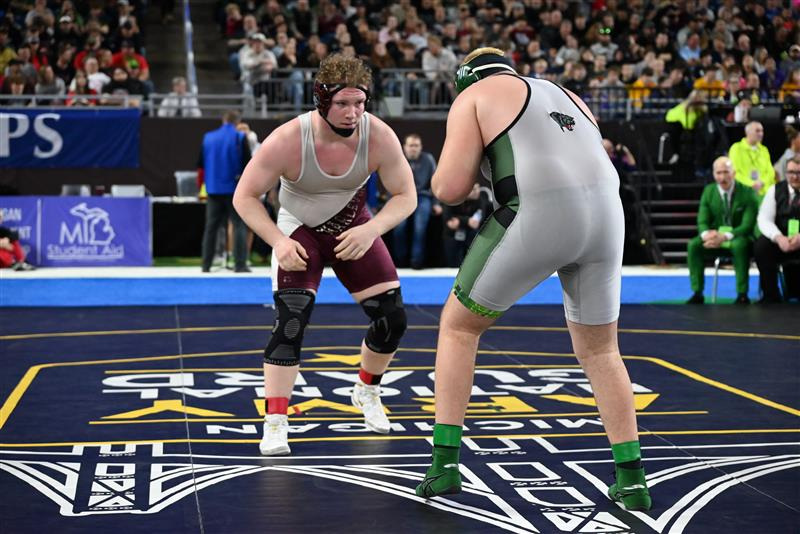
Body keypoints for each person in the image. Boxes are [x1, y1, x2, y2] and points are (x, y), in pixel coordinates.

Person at [414, 47, 651, 512]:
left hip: (540, 213)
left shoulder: (475, 96)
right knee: (602, 349)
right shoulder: (569, 94)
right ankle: (632, 478)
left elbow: (448, 188)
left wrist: (482, 164)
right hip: (607, 216)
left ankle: (443, 466)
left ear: (465, 79)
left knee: (459, 327)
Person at [232, 54, 416, 456]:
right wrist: (277, 242)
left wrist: (371, 229)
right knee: (292, 321)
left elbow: (407, 196)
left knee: (392, 318)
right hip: (299, 231)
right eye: (343, 104)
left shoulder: (379, 135)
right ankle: (276, 421)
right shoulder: (287, 139)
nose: (353, 113)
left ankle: (366, 391)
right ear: (321, 101)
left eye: (360, 103)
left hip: (354, 228)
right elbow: (244, 196)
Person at [685, 157, 758, 305]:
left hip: (738, 237)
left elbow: (747, 225)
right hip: (713, 239)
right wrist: (706, 235)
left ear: (734, 173)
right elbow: (702, 220)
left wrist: (724, 237)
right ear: (713, 174)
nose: (722, 177)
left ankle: (742, 294)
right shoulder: (708, 191)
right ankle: (697, 292)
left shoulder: (748, 192)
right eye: (719, 173)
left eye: (726, 172)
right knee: (693, 245)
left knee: (739, 245)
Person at [198, 110, 252, 273]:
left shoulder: (208, 137)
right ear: (238, 122)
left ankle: (205, 265)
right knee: (238, 225)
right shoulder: (240, 137)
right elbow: (248, 166)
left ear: (223, 120)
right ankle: (240, 264)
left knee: (211, 227)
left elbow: (200, 164)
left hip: (213, 189)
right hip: (234, 190)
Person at [754, 155, 800, 303]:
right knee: (761, 246)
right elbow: (764, 219)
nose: (794, 177)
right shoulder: (774, 190)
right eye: (791, 172)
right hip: (782, 240)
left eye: (799, 173)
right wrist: (779, 238)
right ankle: (771, 295)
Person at [392, 133, 437, 269]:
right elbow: (389, 182)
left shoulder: (428, 159)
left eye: (416, 146)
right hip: (400, 197)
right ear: (405, 147)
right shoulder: (397, 159)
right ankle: (400, 261)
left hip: (422, 197)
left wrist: (436, 203)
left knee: (420, 227)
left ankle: (416, 261)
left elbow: (434, 182)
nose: (413, 148)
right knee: (398, 227)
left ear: (420, 147)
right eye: (411, 145)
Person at [441, 183, 489, 267]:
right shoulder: (452, 199)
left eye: (478, 189)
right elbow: (450, 223)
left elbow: (475, 223)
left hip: (470, 235)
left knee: (475, 237)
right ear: (465, 190)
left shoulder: (480, 201)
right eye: (474, 189)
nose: (477, 192)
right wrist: (467, 221)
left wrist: (459, 220)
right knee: (453, 262)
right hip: (452, 234)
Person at [728, 121, 775, 198]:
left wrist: (762, 182)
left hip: (764, 192)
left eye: (762, 131)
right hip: (744, 192)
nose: (761, 134)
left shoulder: (764, 149)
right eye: (757, 131)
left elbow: (770, 172)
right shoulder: (736, 148)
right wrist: (751, 184)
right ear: (748, 132)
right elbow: (734, 172)